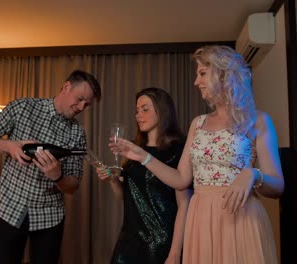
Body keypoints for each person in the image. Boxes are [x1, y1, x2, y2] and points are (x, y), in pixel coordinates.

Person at [110, 46, 285, 264]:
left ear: (224, 74)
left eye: (202, 73)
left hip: (241, 219)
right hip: (201, 221)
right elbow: (181, 180)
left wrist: (253, 175)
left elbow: (277, 186)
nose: (196, 81)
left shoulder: (258, 120)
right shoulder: (198, 123)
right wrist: (142, 156)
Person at [0, 69, 101, 264]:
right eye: (80, 99)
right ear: (66, 87)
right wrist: (8, 146)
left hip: (50, 217)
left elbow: (72, 186)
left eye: (87, 104)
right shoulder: (23, 107)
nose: (81, 107)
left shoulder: (77, 134)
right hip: (10, 209)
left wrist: (58, 177)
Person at [96, 87, 192, 264]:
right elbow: (125, 196)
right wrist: (113, 179)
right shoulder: (134, 148)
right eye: (137, 110)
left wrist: (175, 252)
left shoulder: (179, 150)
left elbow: (185, 204)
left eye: (145, 109)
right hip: (129, 241)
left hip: (162, 242)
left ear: (162, 110)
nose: (138, 115)